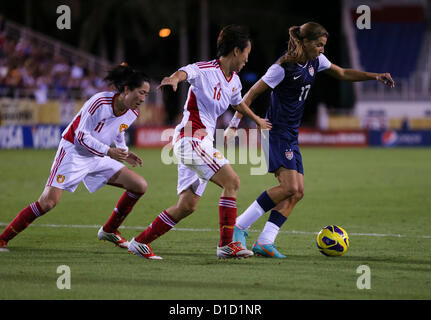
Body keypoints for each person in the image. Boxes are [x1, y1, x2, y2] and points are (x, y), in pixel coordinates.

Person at [225, 22, 395, 258]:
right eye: (318, 45)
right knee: (289, 187)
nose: (322, 50)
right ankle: (239, 226)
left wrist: (374, 76)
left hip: (291, 134)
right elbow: (252, 93)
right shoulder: (283, 67)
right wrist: (234, 124)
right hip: (276, 131)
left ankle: (265, 242)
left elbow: (343, 73)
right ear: (304, 42)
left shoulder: (316, 62)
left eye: (324, 46)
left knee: (298, 192)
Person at [127, 25, 272, 260]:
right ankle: (226, 245)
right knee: (232, 181)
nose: (248, 58)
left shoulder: (234, 81)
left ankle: (140, 242)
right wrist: (174, 79)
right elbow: (185, 72)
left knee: (187, 205)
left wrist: (256, 119)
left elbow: (237, 102)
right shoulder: (206, 69)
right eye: (247, 53)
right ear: (237, 50)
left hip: (201, 143)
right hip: (190, 138)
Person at [0, 63, 151, 252]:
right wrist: (109, 151)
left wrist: (123, 150)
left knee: (139, 186)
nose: (144, 98)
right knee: (47, 202)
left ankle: (109, 230)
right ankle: (2, 239)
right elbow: (80, 137)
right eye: (141, 92)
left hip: (98, 155)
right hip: (73, 152)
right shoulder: (100, 102)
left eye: (147, 94)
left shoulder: (132, 112)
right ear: (127, 89)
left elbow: (119, 130)